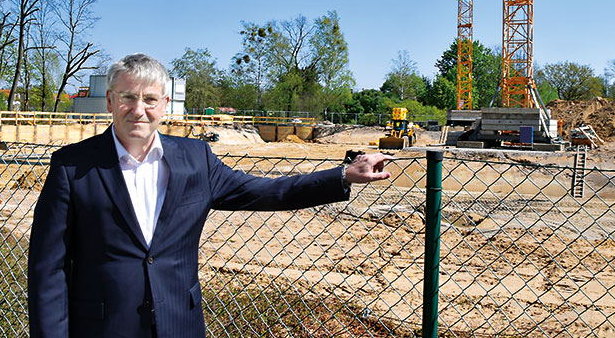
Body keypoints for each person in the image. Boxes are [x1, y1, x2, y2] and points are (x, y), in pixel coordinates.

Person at [27, 53, 391, 338]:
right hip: (102, 329)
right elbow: (47, 269)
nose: (139, 110)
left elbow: (268, 191)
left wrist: (343, 175)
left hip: (178, 325)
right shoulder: (72, 167)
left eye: (150, 99)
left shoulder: (195, 159)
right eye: (128, 97)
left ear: (165, 104)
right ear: (109, 100)